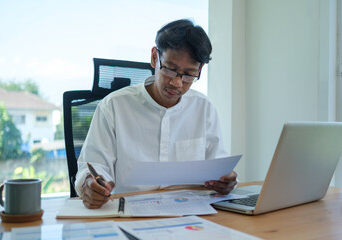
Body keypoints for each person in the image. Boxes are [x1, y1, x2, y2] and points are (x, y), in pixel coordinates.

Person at [75, 19, 238, 209]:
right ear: (155, 57)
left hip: (191, 214)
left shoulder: (204, 108)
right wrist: (89, 184)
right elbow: (93, 166)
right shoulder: (113, 106)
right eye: (170, 69)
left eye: (189, 74)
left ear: (200, 70)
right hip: (129, 213)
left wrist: (226, 181)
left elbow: (218, 166)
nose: (177, 83)